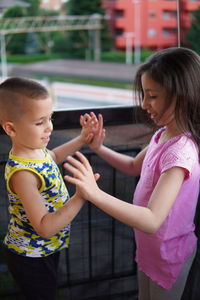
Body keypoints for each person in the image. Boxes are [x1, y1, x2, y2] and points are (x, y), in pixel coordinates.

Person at [64, 47, 200, 300]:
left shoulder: (181, 152)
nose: (145, 104)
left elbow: (151, 219)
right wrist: (99, 148)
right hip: (151, 250)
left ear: (181, 97)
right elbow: (133, 167)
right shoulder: (163, 134)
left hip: (169, 256)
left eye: (152, 96)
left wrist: (94, 194)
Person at [0, 77, 98, 300]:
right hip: (30, 256)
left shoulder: (35, 150)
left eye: (50, 118)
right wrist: (81, 195)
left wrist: (81, 139)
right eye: (40, 122)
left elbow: (52, 157)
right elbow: (44, 227)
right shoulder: (23, 174)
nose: (50, 127)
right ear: (11, 128)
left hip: (45, 250)